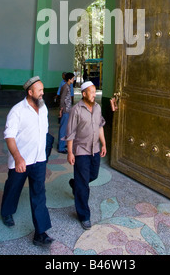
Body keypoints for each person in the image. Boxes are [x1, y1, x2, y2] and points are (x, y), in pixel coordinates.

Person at [0, 76, 53, 246]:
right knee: (13, 187)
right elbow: (9, 136)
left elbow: (44, 131)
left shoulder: (43, 107)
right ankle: (7, 212)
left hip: (39, 160)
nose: (42, 93)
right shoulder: (17, 111)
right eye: (40, 91)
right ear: (30, 92)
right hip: (21, 161)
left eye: (43, 90)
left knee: (39, 194)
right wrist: (17, 157)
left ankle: (40, 233)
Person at [66, 81, 106, 230]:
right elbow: (70, 133)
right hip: (81, 150)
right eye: (92, 92)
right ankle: (84, 216)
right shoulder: (76, 110)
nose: (94, 95)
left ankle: (76, 184)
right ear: (84, 94)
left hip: (95, 149)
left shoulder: (97, 107)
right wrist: (70, 152)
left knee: (93, 175)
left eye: (95, 92)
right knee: (84, 185)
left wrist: (104, 144)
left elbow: (100, 126)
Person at [58, 72, 74, 153]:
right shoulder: (65, 87)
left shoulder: (68, 86)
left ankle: (63, 143)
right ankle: (61, 147)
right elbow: (62, 99)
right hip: (65, 110)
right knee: (63, 128)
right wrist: (61, 110)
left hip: (67, 110)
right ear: (69, 79)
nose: (73, 80)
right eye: (73, 78)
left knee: (65, 128)